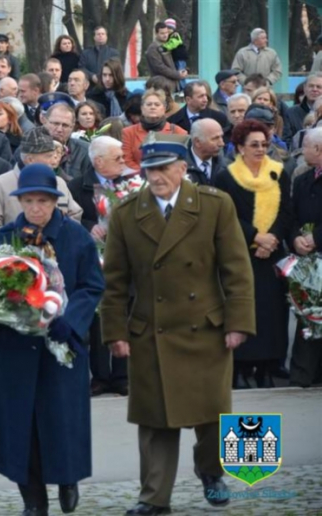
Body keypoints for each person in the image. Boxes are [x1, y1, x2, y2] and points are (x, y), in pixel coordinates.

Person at [101, 132, 256, 515]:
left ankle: (212, 472)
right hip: (151, 329)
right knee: (156, 419)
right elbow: (115, 281)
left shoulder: (214, 206)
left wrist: (238, 322)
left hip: (206, 328)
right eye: (150, 169)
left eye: (164, 169)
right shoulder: (126, 214)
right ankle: (154, 498)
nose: (156, 177)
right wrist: (115, 331)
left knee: (212, 413)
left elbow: (236, 269)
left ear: (183, 169)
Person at [0, 163, 104, 515]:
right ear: (20, 201)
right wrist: (6, 312)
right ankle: (33, 499)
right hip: (16, 349)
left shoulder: (76, 236)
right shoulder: (4, 239)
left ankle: (67, 479)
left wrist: (70, 321)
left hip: (61, 345)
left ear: (55, 201)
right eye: (29, 201)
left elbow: (92, 285)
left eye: (43, 201)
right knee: (20, 426)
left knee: (61, 420)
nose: (36, 208)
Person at [214, 119, 292, 389]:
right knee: (243, 310)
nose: (261, 149)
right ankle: (240, 367)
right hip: (239, 254)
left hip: (270, 255)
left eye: (264, 144)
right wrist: (254, 236)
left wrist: (271, 239)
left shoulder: (277, 172)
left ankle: (267, 367)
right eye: (254, 145)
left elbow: (285, 211)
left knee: (272, 314)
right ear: (239, 147)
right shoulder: (226, 177)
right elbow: (225, 217)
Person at [67, 136, 129, 398]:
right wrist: (89, 226)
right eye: (118, 158)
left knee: (122, 312)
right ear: (99, 161)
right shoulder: (76, 185)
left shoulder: (130, 183)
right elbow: (71, 218)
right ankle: (101, 376)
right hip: (91, 258)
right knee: (97, 317)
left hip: (123, 258)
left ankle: (123, 376)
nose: (124, 161)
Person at [0, 126, 83, 238]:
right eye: (48, 156)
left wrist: (63, 239)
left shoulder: (59, 183)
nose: (53, 161)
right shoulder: (0, 184)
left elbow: (74, 215)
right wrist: (14, 245)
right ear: (30, 159)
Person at [290, 126, 322, 387]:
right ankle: (304, 374)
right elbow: (293, 216)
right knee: (308, 315)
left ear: (318, 149)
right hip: (307, 264)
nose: (302, 152)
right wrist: (295, 238)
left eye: (306, 147)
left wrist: (317, 238)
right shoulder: (302, 178)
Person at [121, 89, 187, 171]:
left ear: (164, 108)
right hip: (138, 179)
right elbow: (127, 161)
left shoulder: (178, 132)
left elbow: (183, 160)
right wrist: (147, 174)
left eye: (157, 104)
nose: (152, 107)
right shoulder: (128, 132)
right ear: (142, 108)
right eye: (149, 104)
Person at [145, 22, 187, 92]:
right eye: (162, 33)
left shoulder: (168, 45)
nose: (165, 35)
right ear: (156, 33)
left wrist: (183, 70)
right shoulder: (153, 48)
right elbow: (159, 68)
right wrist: (177, 74)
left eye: (166, 32)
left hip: (171, 83)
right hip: (161, 85)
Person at [185, 119, 226, 185]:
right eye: (215, 138)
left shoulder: (226, 167)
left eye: (221, 137)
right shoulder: (179, 168)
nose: (222, 144)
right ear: (197, 142)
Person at [284, 72, 322, 142]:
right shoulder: (291, 113)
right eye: (311, 86)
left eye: (319, 87)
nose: (314, 89)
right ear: (304, 88)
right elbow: (287, 141)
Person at [161, 19, 189, 87]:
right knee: (177, 73)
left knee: (181, 73)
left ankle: (183, 87)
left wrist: (165, 47)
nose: (168, 30)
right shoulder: (169, 37)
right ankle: (179, 87)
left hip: (180, 57)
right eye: (167, 28)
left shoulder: (175, 35)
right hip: (176, 58)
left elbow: (173, 43)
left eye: (170, 28)